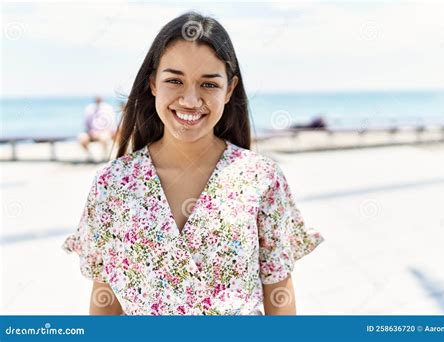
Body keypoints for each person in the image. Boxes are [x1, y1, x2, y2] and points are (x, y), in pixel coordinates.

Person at [62, 11, 324, 316]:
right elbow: (104, 305)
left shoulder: (261, 178)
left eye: (209, 84)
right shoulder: (113, 184)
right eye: (174, 80)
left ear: (229, 89)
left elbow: (279, 298)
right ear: (153, 84)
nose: (190, 99)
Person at [78, 96, 117, 162]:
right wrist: (90, 132)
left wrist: (104, 131)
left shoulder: (108, 108)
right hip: (91, 132)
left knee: (104, 137)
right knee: (82, 138)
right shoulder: (89, 109)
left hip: (104, 132)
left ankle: (105, 156)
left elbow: (111, 123)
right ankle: (90, 155)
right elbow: (86, 123)